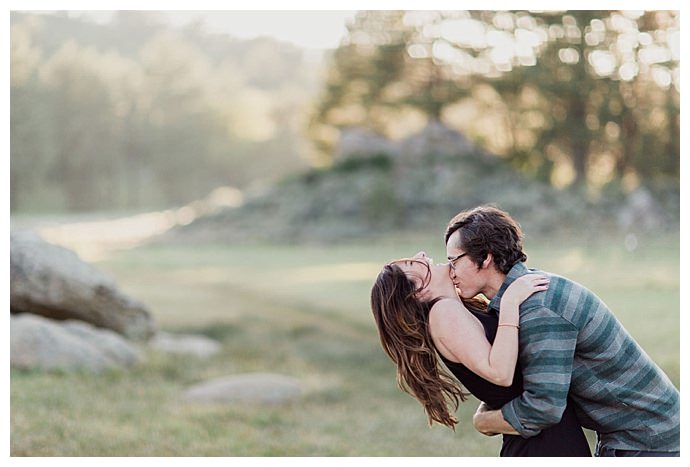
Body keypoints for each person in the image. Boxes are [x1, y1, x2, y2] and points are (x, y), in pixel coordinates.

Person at [444, 205, 680, 457]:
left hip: (650, 441)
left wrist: (483, 421)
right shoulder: (521, 299)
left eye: (453, 261)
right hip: (634, 435)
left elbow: (543, 408)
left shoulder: (539, 308)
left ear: (486, 257)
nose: (450, 272)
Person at [370, 251, 592, 456]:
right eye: (412, 263)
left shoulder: (456, 310)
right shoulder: (443, 314)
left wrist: (485, 417)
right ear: (418, 291)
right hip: (542, 444)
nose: (421, 255)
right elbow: (500, 373)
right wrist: (510, 302)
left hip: (544, 433)